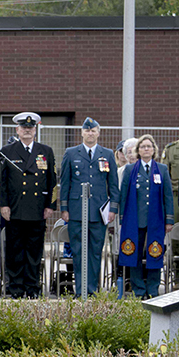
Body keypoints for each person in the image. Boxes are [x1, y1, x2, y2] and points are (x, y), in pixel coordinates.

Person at [0, 112, 57, 298]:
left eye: (30, 128)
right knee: (15, 250)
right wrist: (4, 205)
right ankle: (15, 288)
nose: (27, 131)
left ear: (35, 130)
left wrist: (50, 205)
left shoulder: (45, 151)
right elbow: (3, 182)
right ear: (17, 129)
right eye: (24, 128)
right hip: (14, 209)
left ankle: (32, 288)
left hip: (37, 209)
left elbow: (52, 181)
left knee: (34, 251)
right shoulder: (7, 151)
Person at [59, 117, 120, 295]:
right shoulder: (71, 153)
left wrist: (113, 209)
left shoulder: (107, 154)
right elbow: (65, 182)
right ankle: (80, 291)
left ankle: (92, 290)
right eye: (87, 130)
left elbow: (113, 184)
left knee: (95, 252)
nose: (90, 133)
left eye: (93, 130)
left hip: (98, 212)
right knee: (78, 252)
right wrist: (64, 208)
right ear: (82, 133)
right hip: (77, 211)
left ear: (98, 133)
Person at [117, 135, 174, 298]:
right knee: (133, 252)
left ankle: (153, 288)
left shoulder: (162, 169)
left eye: (149, 146)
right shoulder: (130, 169)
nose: (146, 149)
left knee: (155, 251)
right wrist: (123, 218)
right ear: (138, 151)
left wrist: (169, 219)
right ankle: (139, 288)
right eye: (143, 147)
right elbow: (124, 195)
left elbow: (168, 196)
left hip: (156, 219)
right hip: (135, 219)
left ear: (154, 149)